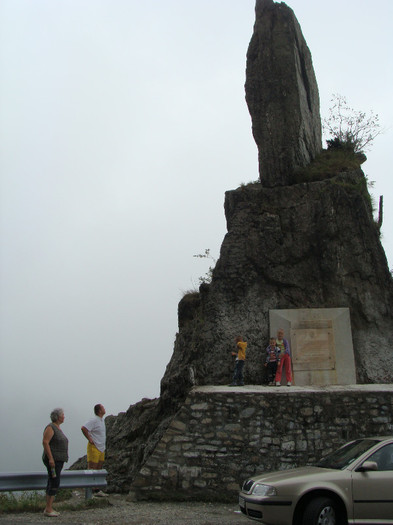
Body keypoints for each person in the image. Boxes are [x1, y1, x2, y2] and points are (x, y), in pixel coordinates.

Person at [42, 408, 69, 517]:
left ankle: (49, 507)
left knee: (53, 480)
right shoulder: (51, 427)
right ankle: (48, 509)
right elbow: (45, 442)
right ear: (58, 417)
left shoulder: (57, 428)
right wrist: (51, 458)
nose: (64, 416)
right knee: (54, 481)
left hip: (58, 460)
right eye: (63, 414)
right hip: (54, 460)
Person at [81, 404, 107, 496]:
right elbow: (84, 428)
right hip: (94, 447)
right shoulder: (94, 420)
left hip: (101, 447)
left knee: (99, 468)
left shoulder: (101, 420)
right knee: (92, 468)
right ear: (99, 410)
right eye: (103, 407)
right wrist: (90, 439)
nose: (104, 409)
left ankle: (97, 489)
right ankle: (89, 490)